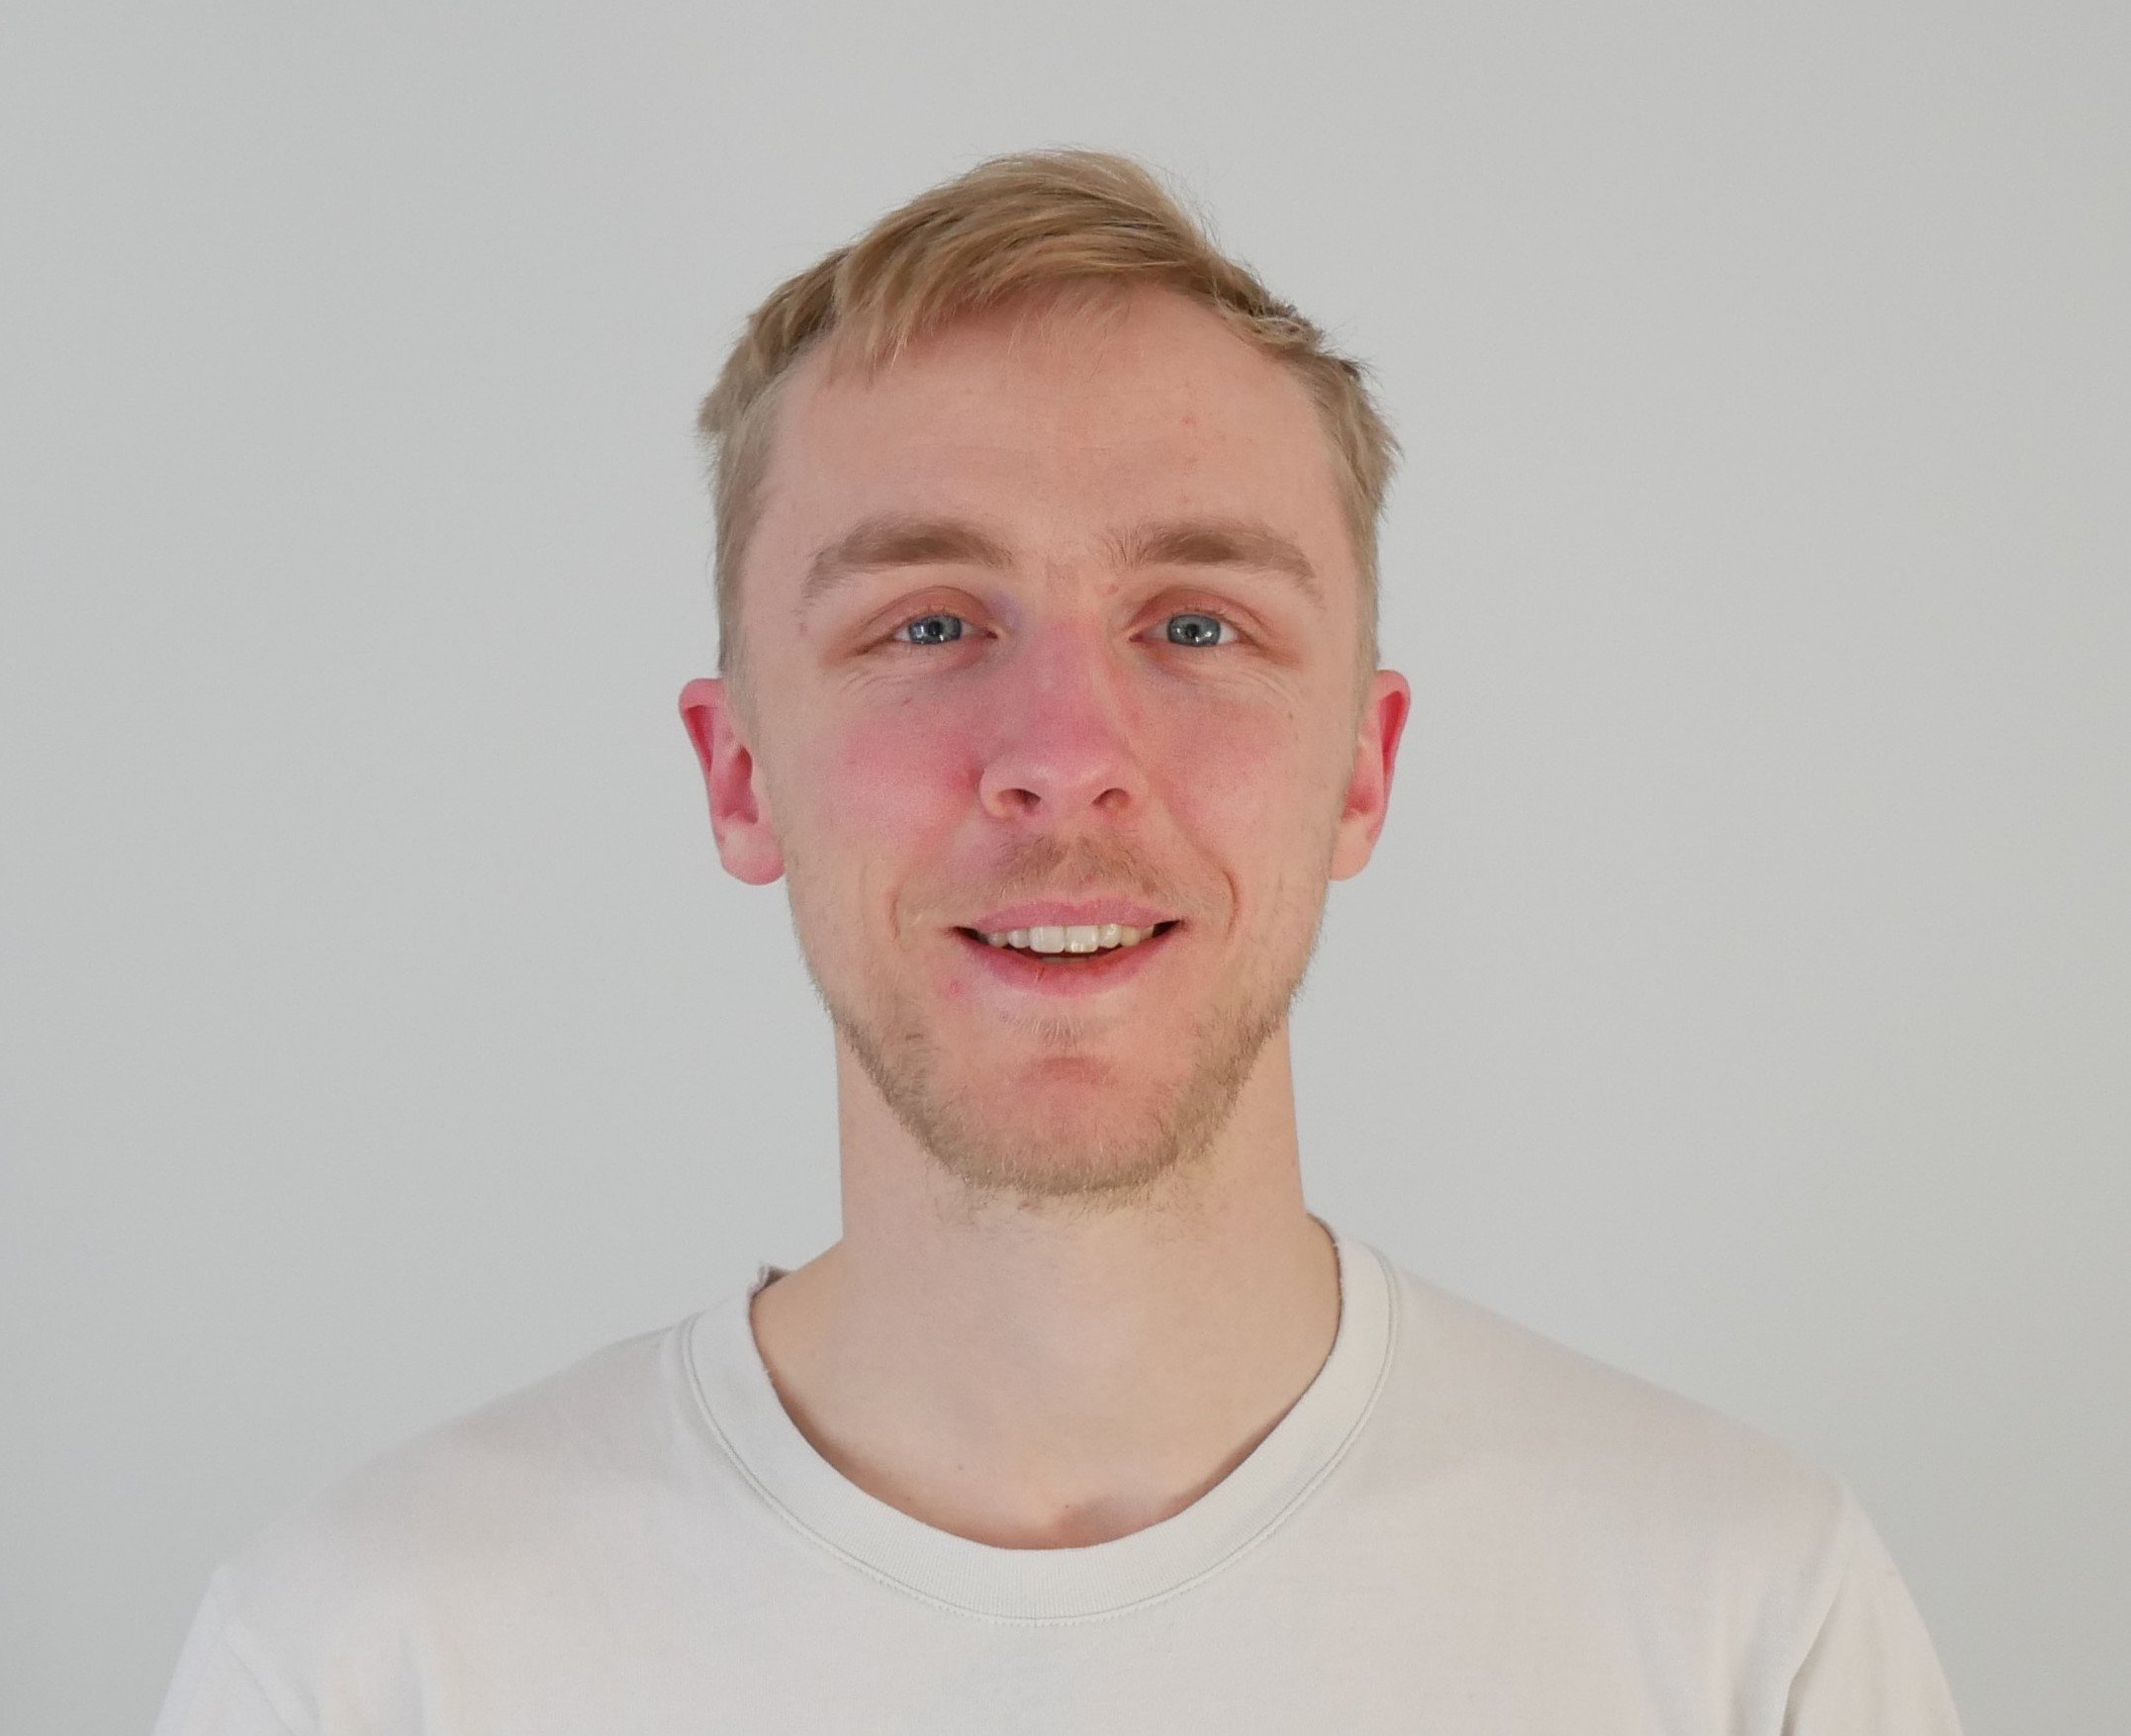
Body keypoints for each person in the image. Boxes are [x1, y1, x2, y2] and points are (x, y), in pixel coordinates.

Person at [151, 148, 1963, 1734]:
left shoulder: (1744, 1625)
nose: (1066, 758)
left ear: (1361, 768)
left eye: (1193, 624)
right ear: (739, 774)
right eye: (930, 624)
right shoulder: (367, 1663)